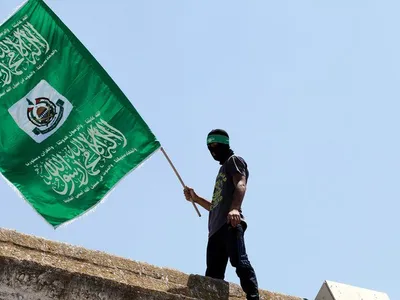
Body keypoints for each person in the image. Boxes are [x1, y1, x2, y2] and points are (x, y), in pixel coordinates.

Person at [184, 129, 260, 300]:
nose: (212, 150)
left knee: (239, 262)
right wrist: (196, 199)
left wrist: (235, 209)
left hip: (230, 223)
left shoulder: (234, 161)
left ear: (225, 144)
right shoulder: (221, 172)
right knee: (212, 275)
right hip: (215, 231)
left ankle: (253, 296)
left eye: (215, 145)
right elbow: (216, 206)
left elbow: (241, 182)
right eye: (209, 147)